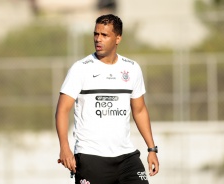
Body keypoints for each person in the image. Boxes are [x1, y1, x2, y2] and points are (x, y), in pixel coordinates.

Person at [55, 14, 159, 184]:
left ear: (118, 38)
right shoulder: (80, 69)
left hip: (126, 157)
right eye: (96, 34)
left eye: (104, 35)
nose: (98, 39)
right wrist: (64, 148)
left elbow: (139, 110)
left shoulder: (131, 69)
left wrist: (152, 149)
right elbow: (62, 110)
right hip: (91, 157)